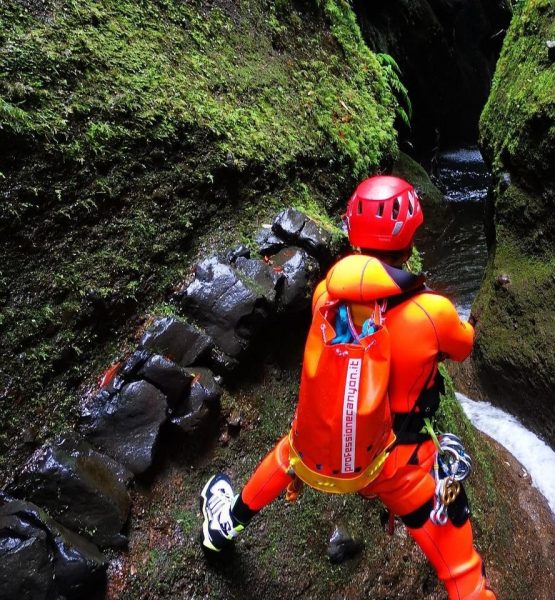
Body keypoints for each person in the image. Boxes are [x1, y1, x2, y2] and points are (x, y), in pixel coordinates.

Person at [200, 175, 496, 600]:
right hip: (400, 467)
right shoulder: (433, 313)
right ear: (411, 235)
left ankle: (226, 524)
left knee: (291, 450)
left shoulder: (327, 295)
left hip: (323, 449)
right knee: (465, 580)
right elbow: (463, 346)